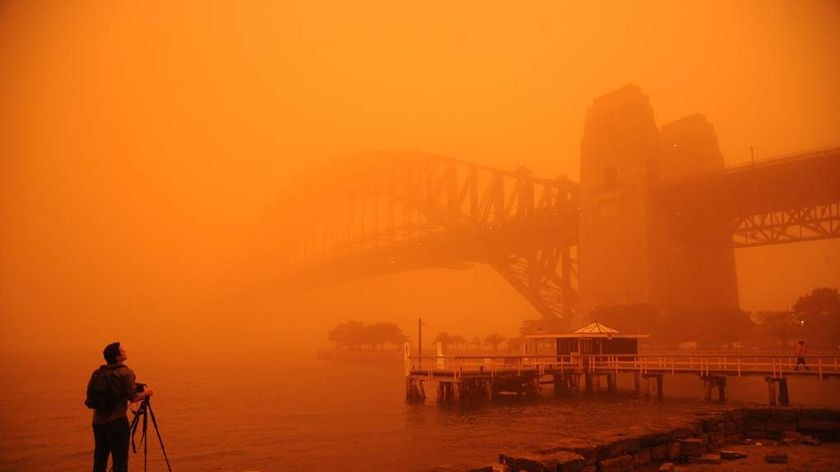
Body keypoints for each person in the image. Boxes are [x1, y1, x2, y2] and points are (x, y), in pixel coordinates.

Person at [87, 342, 154, 472]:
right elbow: (133, 397)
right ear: (117, 357)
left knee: (100, 458)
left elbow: (89, 396)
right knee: (120, 460)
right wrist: (146, 393)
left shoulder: (97, 373)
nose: (125, 351)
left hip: (98, 422)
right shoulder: (125, 372)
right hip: (117, 422)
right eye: (122, 351)